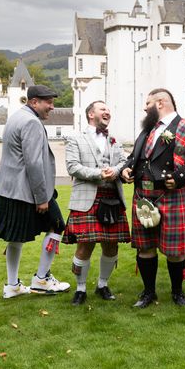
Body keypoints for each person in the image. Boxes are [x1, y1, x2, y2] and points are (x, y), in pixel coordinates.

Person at [121, 88, 185, 307]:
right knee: (145, 247)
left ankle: (177, 292)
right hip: (144, 195)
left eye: (147, 103)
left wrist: (178, 177)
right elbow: (136, 157)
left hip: (173, 194)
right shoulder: (147, 129)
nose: (144, 107)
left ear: (160, 103)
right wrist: (127, 169)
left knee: (175, 250)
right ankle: (149, 292)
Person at [0, 84, 70, 298]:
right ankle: (42, 279)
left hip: (9, 189)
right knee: (57, 226)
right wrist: (42, 197)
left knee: (15, 237)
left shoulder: (17, 116)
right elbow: (33, 163)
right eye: (48, 102)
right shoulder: (32, 122)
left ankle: (12, 285)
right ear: (34, 102)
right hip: (26, 189)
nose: (52, 107)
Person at [63, 101, 130, 305]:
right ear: (91, 114)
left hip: (112, 199)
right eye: (103, 109)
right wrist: (100, 173)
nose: (107, 112)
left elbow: (123, 161)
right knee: (85, 246)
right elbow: (73, 167)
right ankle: (80, 288)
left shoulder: (113, 140)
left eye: (108, 110)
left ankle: (103, 284)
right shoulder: (75, 138)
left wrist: (117, 171)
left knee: (111, 246)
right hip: (87, 199)